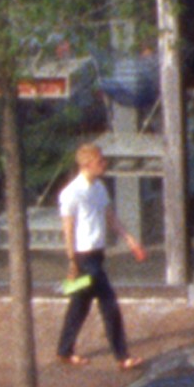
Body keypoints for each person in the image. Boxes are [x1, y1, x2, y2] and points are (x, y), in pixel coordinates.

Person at [54, 141, 130, 368]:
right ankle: (122, 356)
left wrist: (128, 238)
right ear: (87, 164)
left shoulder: (99, 188)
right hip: (84, 256)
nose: (104, 164)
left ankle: (64, 350)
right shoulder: (71, 193)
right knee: (109, 304)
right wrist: (72, 261)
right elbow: (68, 228)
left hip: (97, 253)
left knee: (80, 304)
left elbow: (110, 217)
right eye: (100, 161)